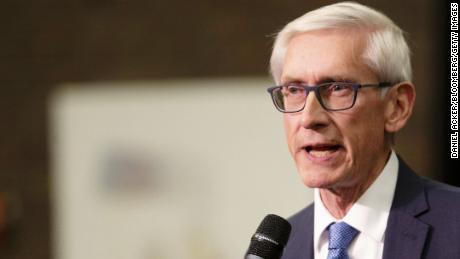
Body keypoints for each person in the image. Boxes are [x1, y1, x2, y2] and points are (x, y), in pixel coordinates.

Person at [266, 2, 460, 259]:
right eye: (294, 90)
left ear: (397, 106)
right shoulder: (277, 250)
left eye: (337, 88)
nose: (309, 118)